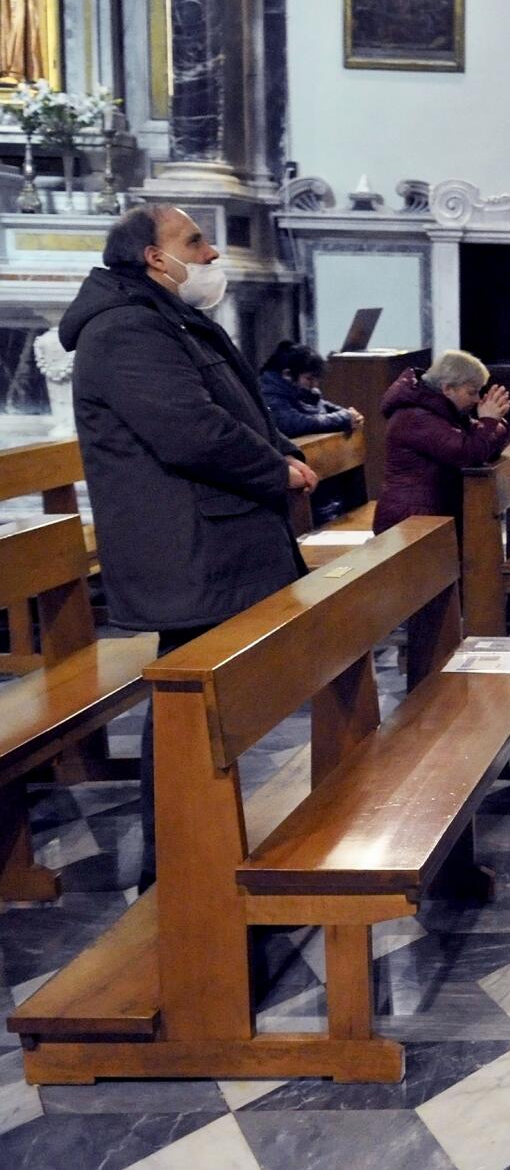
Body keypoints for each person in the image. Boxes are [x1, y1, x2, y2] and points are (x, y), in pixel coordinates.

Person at [59, 204, 315, 887]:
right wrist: (274, 470)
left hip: (212, 541)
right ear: (152, 256)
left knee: (204, 710)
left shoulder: (166, 319)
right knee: (186, 714)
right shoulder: (123, 332)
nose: (210, 253)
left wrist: (282, 448)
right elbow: (187, 429)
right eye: (194, 240)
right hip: (189, 547)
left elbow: (237, 410)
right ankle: (178, 881)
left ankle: (194, 863)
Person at [372, 350, 510, 534]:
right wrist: (489, 422)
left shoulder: (444, 411)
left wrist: (493, 421)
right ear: (447, 389)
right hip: (409, 522)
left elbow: (487, 448)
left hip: (431, 514)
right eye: (472, 392)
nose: (477, 399)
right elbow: (466, 454)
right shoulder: (415, 416)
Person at [259, 341, 363, 438]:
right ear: (288, 374)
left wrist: (348, 414)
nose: (314, 385)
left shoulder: (292, 388)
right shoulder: (268, 393)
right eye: (309, 378)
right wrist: (343, 417)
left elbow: (319, 404)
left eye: (316, 379)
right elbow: (292, 424)